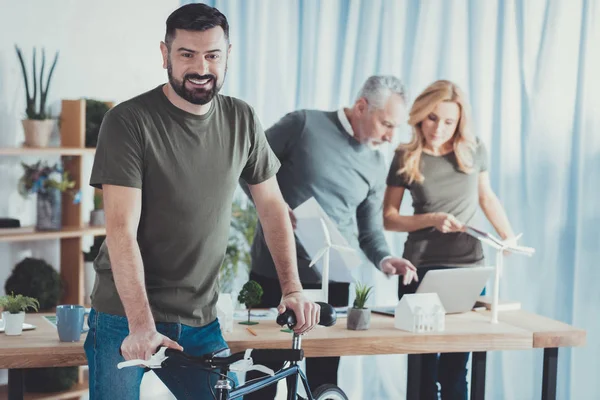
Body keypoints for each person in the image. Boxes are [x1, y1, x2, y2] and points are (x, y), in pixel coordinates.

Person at [84, 4, 319, 399]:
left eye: (212, 55)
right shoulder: (128, 122)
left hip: (201, 319)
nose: (201, 67)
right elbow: (121, 231)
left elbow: (273, 208)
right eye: (187, 54)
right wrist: (141, 324)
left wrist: (292, 288)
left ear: (228, 54)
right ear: (165, 55)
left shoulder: (241, 119)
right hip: (123, 318)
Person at [240, 75, 419, 399]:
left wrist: (384, 258)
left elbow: (369, 229)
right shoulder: (303, 124)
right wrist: (275, 207)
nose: (391, 136)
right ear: (362, 106)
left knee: (323, 382)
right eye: (386, 124)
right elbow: (249, 167)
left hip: (333, 280)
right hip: (276, 274)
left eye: (396, 128)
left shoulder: (377, 163)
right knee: (262, 377)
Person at [383, 79, 519, 400]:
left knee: (457, 370)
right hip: (420, 271)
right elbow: (389, 218)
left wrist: (507, 236)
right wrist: (431, 219)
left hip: (469, 270)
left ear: (459, 121)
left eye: (448, 121)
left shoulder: (474, 150)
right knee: (423, 369)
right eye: (432, 118)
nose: (439, 128)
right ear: (420, 115)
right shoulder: (406, 156)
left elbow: (486, 197)